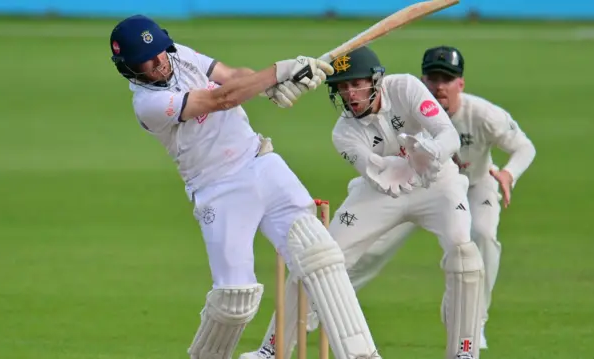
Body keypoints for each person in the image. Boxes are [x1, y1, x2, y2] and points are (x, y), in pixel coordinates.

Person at [109, 14, 384, 359]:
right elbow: (220, 99)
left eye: (159, 54)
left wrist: (273, 84)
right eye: (145, 62)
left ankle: (362, 355)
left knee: (321, 256)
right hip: (218, 189)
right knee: (234, 300)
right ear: (128, 69)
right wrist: (278, 71)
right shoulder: (147, 104)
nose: (158, 64)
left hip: (260, 161)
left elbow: (233, 78)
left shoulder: (177, 53)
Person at [241, 46, 485, 359]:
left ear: (376, 80)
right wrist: (406, 162)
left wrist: (431, 152)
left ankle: (464, 352)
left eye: (357, 84)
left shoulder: (406, 87)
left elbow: (447, 134)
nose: (350, 94)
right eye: (342, 87)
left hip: (439, 183)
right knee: (317, 258)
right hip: (383, 190)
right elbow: (379, 174)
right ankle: (272, 349)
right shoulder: (343, 132)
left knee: (464, 253)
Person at [328, 45, 537, 349]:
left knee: (481, 237)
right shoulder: (411, 103)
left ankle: (474, 321)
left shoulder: (483, 114)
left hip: (478, 183)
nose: (440, 86)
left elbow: (524, 147)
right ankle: (325, 305)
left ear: (461, 83)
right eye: (434, 78)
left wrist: (509, 173)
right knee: (371, 250)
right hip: (413, 185)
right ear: (424, 80)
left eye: (448, 79)